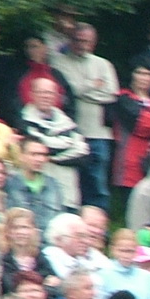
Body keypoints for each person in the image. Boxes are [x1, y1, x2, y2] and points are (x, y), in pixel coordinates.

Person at [52, 24, 119, 207]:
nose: (82, 45)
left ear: (94, 42)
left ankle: (98, 218)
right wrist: (93, 85)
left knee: (98, 182)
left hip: (100, 132)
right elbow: (70, 90)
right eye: (78, 40)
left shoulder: (104, 64)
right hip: (71, 130)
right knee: (73, 180)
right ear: (70, 40)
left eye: (87, 41)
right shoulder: (59, 62)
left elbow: (111, 94)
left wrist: (82, 90)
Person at [18, 77, 87, 212]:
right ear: (31, 94)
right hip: (35, 195)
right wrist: (67, 146)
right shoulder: (22, 121)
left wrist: (52, 158)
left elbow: (83, 154)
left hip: (67, 192)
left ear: (57, 96)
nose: (46, 96)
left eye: (49, 93)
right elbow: (41, 145)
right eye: (41, 92)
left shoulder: (68, 123)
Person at [111, 65, 150, 198]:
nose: (144, 78)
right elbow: (141, 123)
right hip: (129, 162)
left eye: (149, 74)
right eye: (140, 73)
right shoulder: (124, 99)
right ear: (132, 75)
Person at [95, 227, 150, 299]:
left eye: (130, 251)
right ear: (113, 250)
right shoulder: (102, 275)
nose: (126, 255)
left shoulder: (147, 277)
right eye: (122, 251)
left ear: (136, 251)